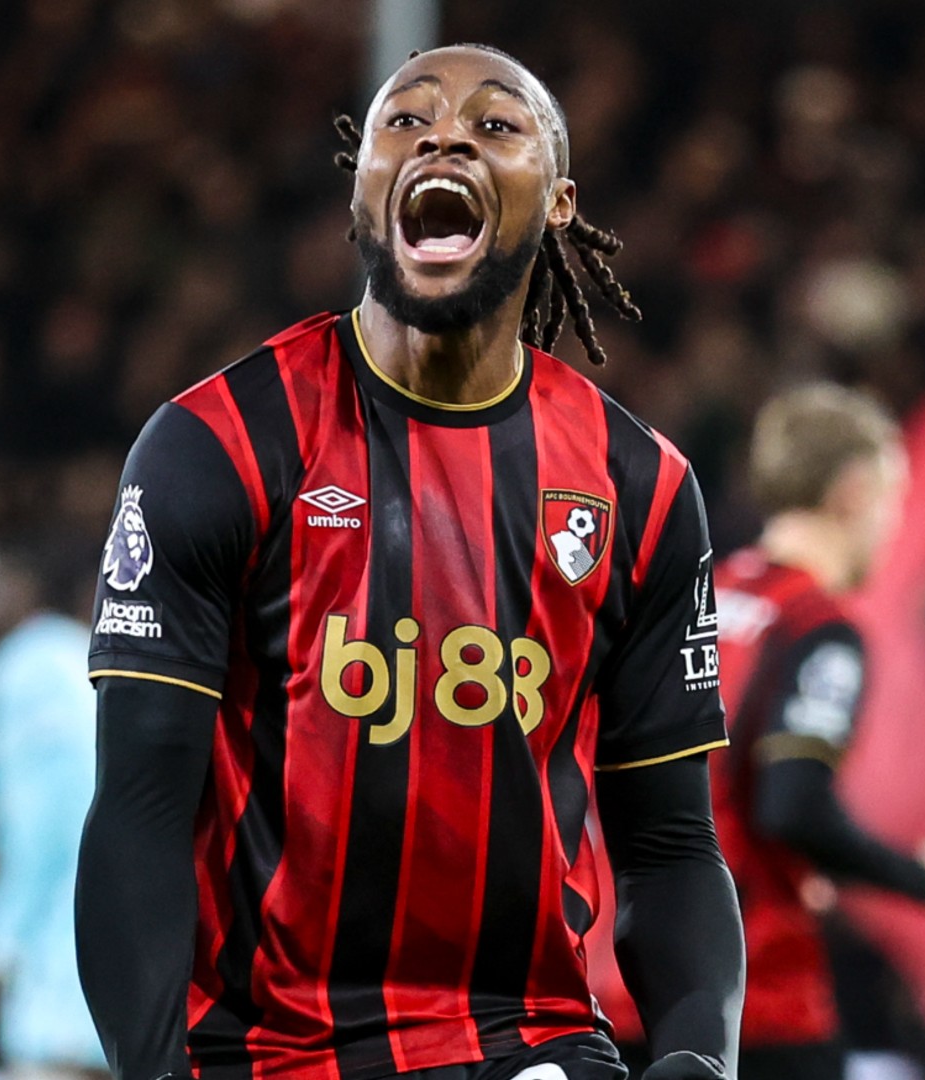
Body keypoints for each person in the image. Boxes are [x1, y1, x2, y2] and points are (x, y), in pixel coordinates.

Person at [76, 44, 744, 1080]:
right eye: (407, 120)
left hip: (527, 1044)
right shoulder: (219, 444)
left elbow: (669, 845)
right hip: (269, 1055)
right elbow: (140, 811)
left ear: (559, 204)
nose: (445, 138)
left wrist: (698, 1059)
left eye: (495, 124)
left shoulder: (640, 486)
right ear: (360, 196)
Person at [706, 385, 925, 1080]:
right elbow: (791, 806)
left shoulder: (702, 597)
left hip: (631, 977)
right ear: (854, 492)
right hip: (751, 991)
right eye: (893, 501)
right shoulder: (817, 629)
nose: (892, 528)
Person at [0, 541, 108, 1080]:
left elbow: (44, 827)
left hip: (60, 976)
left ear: (24, 587)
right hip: (128, 969)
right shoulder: (75, 653)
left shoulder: (24, 669)